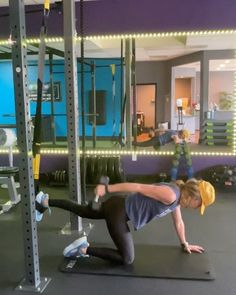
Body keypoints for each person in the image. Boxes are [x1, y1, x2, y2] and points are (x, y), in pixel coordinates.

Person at [36, 178, 215, 265]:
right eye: (199, 204)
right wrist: (107, 188)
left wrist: (185, 243)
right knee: (127, 258)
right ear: (193, 197)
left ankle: (44, 201)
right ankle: (83, 248)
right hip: (119, 212)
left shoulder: (177, 199)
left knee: (83, 210)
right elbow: (137, 186)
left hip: (119, 208)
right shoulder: (171, 194)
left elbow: (179, 223)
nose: (196, 207)